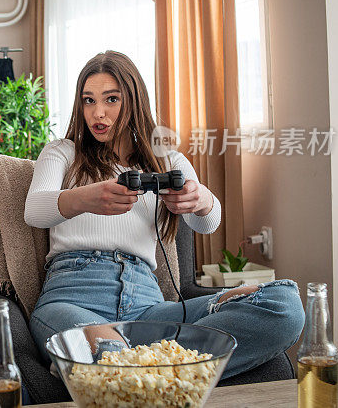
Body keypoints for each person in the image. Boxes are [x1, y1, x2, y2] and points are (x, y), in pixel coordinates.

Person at [25, 51, 304, 379]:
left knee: (284, 304)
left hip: (148, 308)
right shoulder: (63, 152)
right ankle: (158, 363)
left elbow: (207, 222)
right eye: (88, 101)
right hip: (74, 296)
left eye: (111, 99)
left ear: (134, 101)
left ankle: (135, 367)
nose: (97, 113)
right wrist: (87, 198)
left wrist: (199, 199)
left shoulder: (167, 161)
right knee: (103, 346)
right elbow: (35, 210)